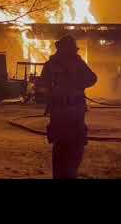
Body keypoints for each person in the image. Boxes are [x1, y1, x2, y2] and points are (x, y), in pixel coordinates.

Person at [39, 35, 97, 179]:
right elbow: (41, 85)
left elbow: (92, 78)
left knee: (76, 145)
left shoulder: (78, 63)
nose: (72, 52)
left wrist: (76, 83)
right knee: (61, 146)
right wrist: (52, 92)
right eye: (70, 49)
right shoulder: (51, 65)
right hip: (61, 111)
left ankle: (70, 174)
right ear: (62, 49)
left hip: (75, 110)